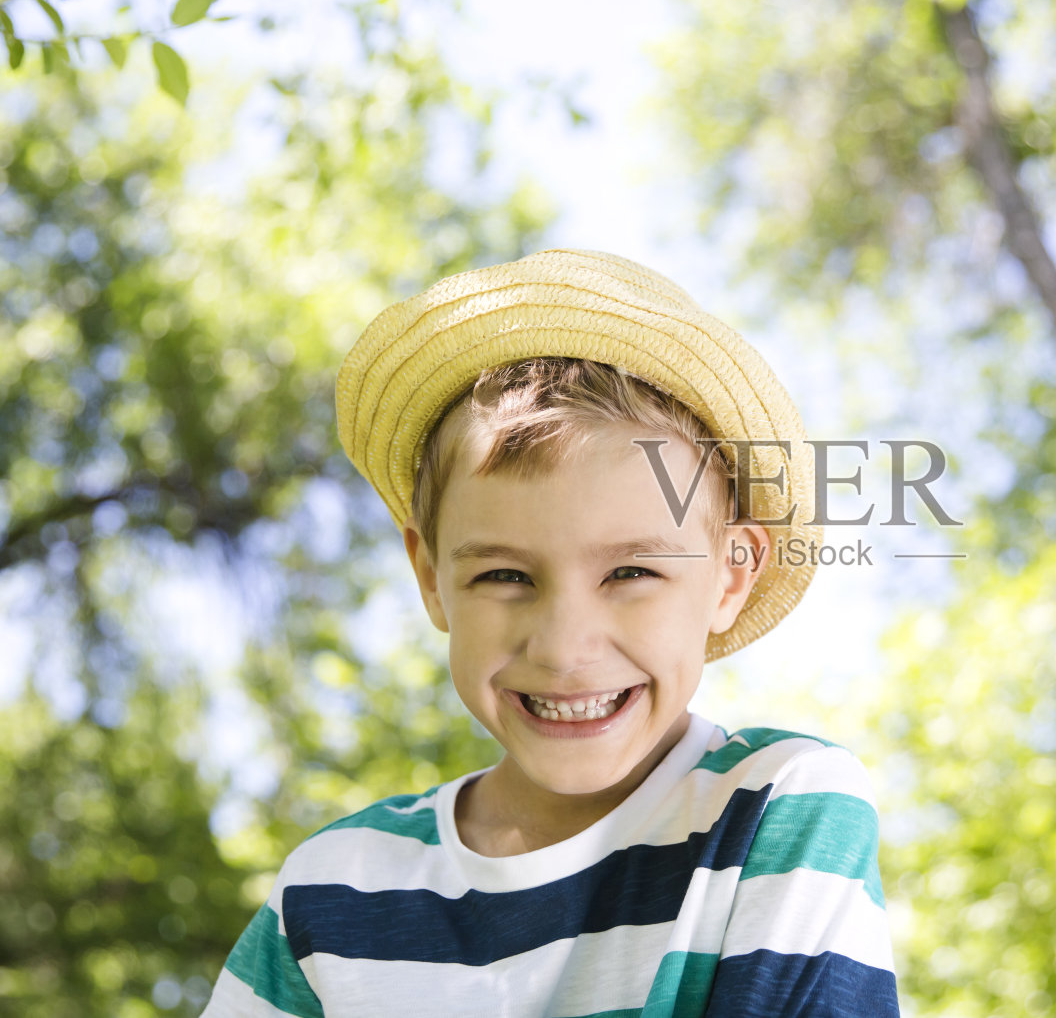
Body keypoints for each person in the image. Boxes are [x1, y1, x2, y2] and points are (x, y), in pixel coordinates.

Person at [200, 249, 900, 1017]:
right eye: (505, 576)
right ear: (431, 575)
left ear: (730, 576)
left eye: (632, 573)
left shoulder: (777, 810)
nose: (564, 648)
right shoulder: (330, 894)